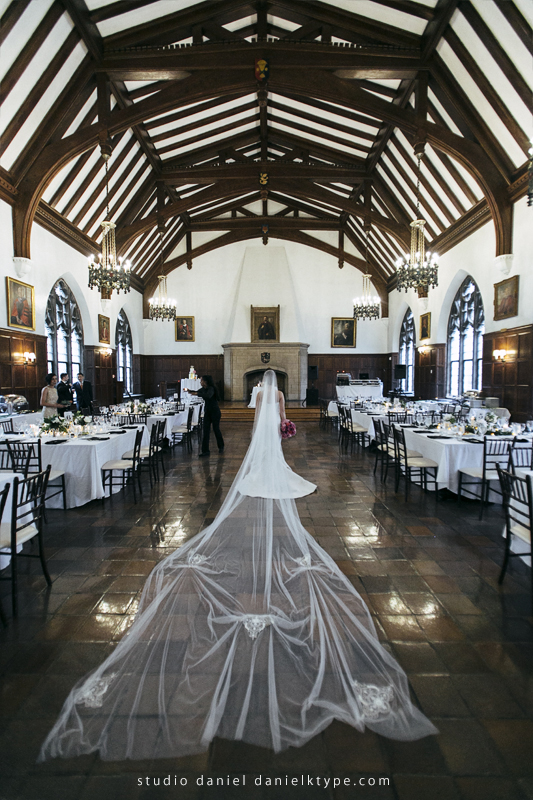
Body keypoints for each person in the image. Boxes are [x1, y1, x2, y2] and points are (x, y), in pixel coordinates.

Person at [39, 369, 436, 763]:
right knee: (276, 464)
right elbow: (282, 421)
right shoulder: (278, 398)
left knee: (263, 465)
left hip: (259, 446)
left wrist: (260, 434)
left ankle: (264, 471)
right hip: (274, 445)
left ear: (259, 386)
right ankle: (272, 470)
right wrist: (282, 429)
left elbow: (258, 416)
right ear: (277, 385)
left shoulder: (260, 397)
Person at [187, 375, 224, 457]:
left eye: (201, 381)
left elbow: (208, 395)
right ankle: (205, 451)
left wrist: (196, 393)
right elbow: (197, 392)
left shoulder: (211, 388)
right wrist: (189, 391)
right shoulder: (203, 389)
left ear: (206, 381)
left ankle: (221, 446)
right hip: (207, 412)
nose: (200, 382)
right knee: (206, 431)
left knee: (216, 429)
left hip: (215, 412)